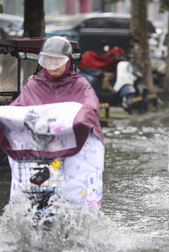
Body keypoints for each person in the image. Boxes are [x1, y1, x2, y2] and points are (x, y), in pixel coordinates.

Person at [1, 36, 105, 210]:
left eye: (58, 58)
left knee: (74, 192)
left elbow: (90, 107)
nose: (53, 63)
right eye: (48, 58)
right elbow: (17, 109)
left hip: (74, 147)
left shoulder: (80, 85)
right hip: (41, 148)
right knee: (28, 194)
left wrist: (78, 120)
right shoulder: (34, 85)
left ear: (68, 61)